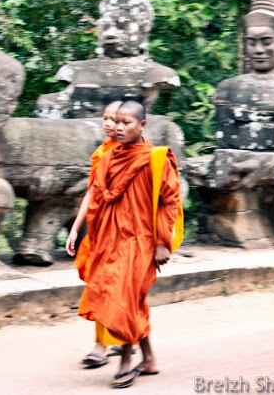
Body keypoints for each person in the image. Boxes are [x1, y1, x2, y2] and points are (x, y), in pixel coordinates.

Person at [71, 100, 182, 388]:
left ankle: (125, 361)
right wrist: (83, 231)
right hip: (111, 239)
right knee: (129, 298)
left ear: (142, 125)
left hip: (141, 240)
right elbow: (97, 196)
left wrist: (162, 243)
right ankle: (149, 359)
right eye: (115, 122)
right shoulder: (108, 157)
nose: (118, 128)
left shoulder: (157, 158)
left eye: (126, 123)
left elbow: (169, 203)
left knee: (123, 298)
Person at [66, 100, 126, 368]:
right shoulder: (101, 152)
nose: (108, 123)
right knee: (99, 283)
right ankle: (111, 341)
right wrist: (76, 227)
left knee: (113, 284)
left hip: (124, 230)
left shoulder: (132, 153)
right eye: (106, 118)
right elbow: (92, 191)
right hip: (99, 229)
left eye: (115, 119)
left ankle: (106, 344)